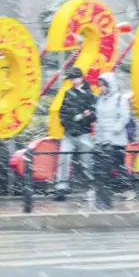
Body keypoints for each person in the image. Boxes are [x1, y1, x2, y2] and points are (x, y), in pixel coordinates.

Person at [52, 67, 97, 202]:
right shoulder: (68, 93)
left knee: (87, 161)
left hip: (84, 133)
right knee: (63, 159)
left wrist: (79, 119)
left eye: (74, 78)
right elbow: (62, 113)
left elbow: (93, 115)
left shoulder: (90, 95)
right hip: (69, 133)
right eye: (71, 78)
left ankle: (92, 188)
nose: (72, 81)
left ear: (81, 78)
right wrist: (74, 120)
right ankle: (61, 187)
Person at [93, 71, 133, 209]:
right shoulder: (99, 100)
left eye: (103, 85)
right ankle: (105, 195)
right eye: (99, 86)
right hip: (102, 140)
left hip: (116, 141)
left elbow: (125, 117)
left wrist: (114, 130)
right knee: (105, 168)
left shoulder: (119, 99)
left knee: (117, 166)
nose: (101, 88)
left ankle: (125, 189)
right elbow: (99, 119)